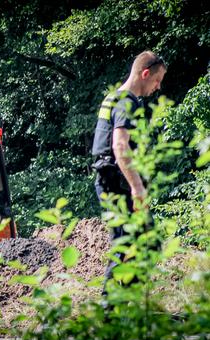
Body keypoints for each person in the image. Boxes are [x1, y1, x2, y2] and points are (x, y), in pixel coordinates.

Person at [91, 50, 166, 294]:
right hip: (117, 184)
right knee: (125, 244)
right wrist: (137, 187)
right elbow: (120, 145)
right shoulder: (126, 101)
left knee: (146, 241)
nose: (158, 87)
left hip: (112, 181)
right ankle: (110, 308)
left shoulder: (114, 97)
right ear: (145, 74)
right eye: (157, 80)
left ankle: (126, 303)